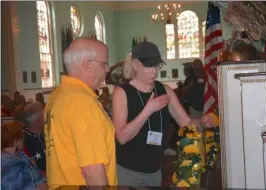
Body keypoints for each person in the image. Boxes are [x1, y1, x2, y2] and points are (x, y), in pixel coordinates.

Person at [112, 41, 213, 186]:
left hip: (154, 171)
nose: (154, 71)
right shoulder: (122, 93)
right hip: (128, 171)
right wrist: (148, 110)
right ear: (135, 64)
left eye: (157, 66)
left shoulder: (164, 90)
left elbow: (188, 124)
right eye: (148, 66)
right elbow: (121, 137)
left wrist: (203, 121)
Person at [44, 37, 117, 190]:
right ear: (87, 66)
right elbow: (93, 171)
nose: (107, 69)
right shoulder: (82, 103)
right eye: (104, 63)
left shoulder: (58, 95)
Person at [1, 121, 47, 190]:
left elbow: (38, 177)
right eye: (22, 137)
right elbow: (16, 186)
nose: (24, 139)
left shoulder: (21, 156)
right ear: (16, 139)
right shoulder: (6, 161)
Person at [20, 102, 46, 173]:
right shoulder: (23, 141)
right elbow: (30, 170)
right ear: (39, 120)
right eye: (45, 114)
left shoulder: (44, 134)